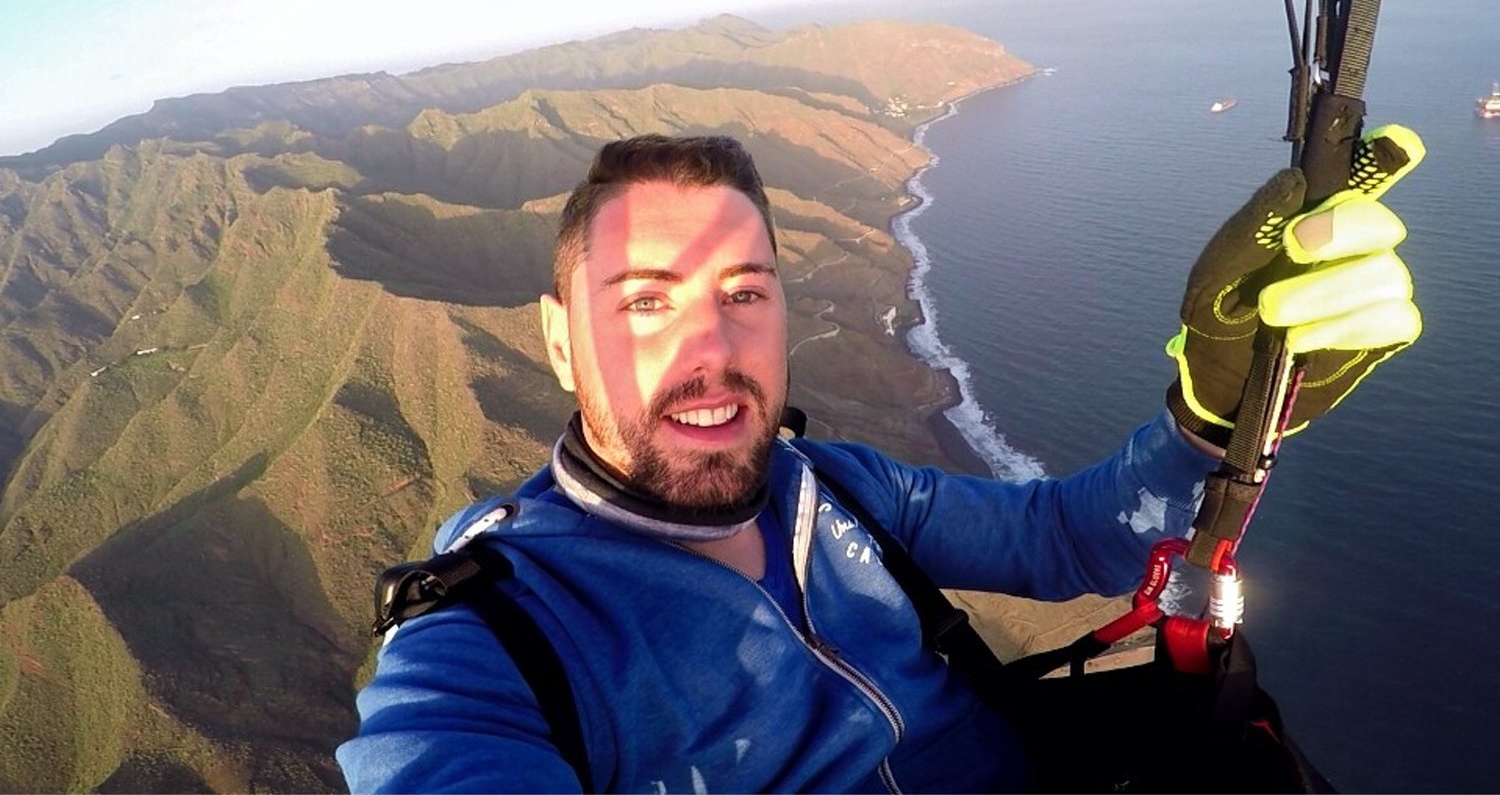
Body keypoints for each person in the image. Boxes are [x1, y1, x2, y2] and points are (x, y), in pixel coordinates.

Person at [337, 128, 1423, 793]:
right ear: (559, 339)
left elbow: (1061, 537)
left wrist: (1212, 416)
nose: (710, 352)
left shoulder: (840, 490)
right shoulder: (495, 645)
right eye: (647, 305)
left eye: (744, 294)